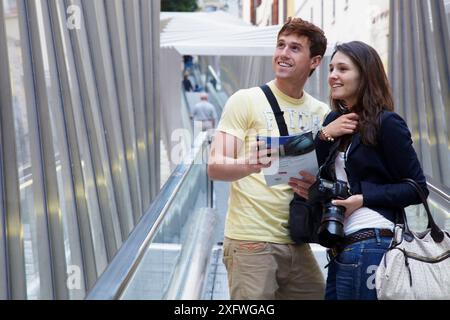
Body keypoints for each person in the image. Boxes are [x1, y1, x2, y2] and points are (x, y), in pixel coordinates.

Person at [208, 17, 329, 300]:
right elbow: (215, 165)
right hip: (251, 241)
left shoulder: (321, 113)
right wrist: (248, 164)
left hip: (299, 238)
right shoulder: (246, 100)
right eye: (280, 45)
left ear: (315, 61)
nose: (283, 54)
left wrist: (314, 185)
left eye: (295, 48)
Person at [303, 41, 428, 300]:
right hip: (340, 244)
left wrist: (362, 199)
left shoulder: (387, 123)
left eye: (343, 69)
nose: (333, 76)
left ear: (364, 74)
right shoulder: (333, 123)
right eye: (331, 68)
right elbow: (311, 167)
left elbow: (417, 188)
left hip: (372, 242)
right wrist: (325, 135)